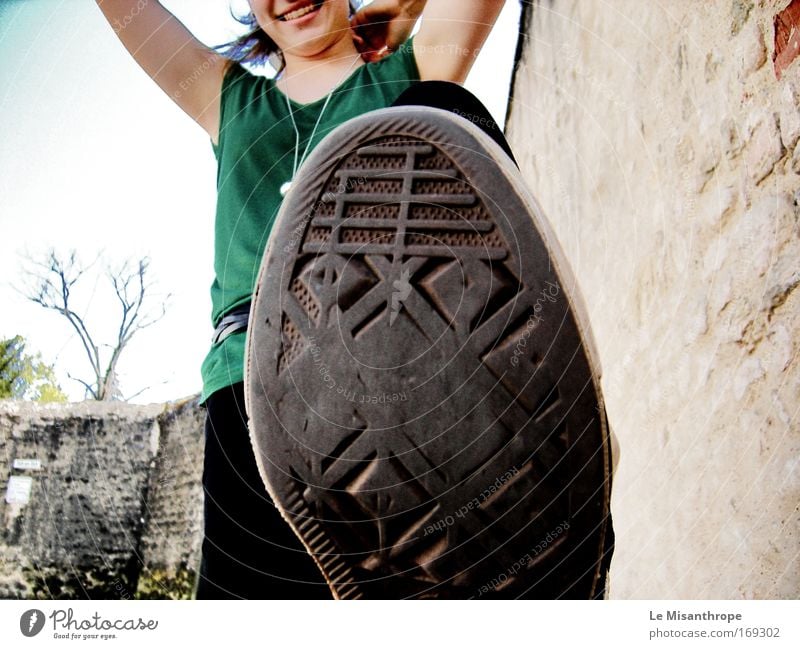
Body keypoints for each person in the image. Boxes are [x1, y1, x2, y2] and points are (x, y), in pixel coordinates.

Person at [95, 0, 521, 599]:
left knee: (452, 112)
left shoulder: (408, 73)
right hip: (249, 388)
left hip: (392, 370)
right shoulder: (229, 101)